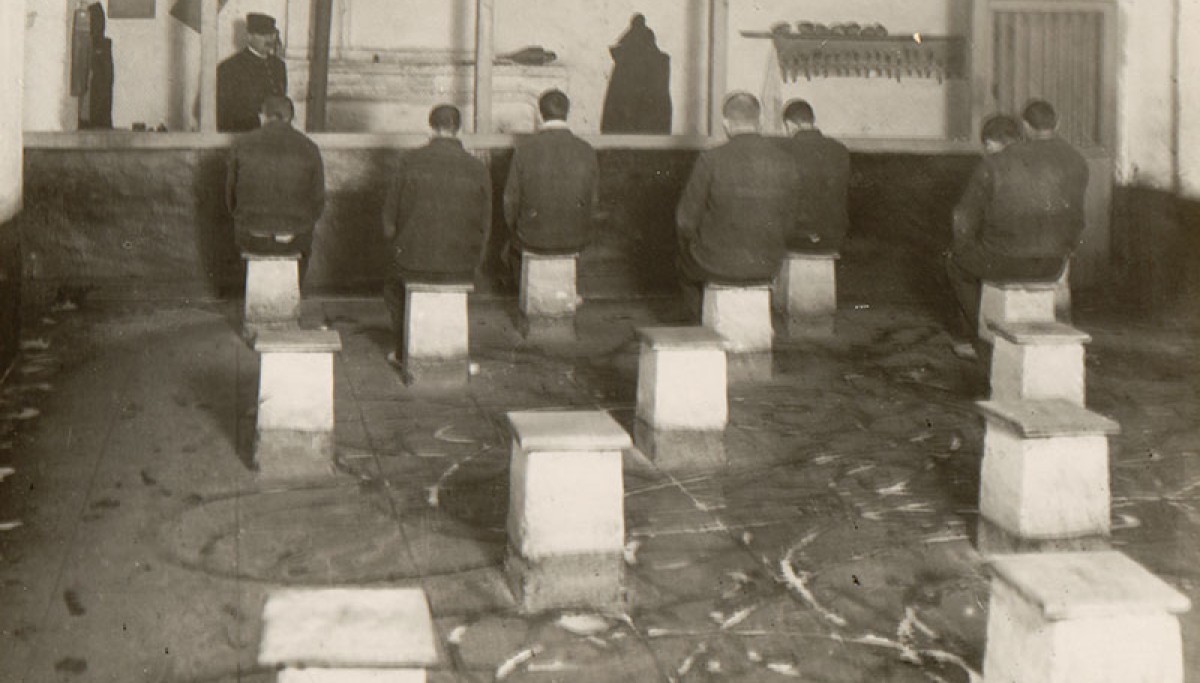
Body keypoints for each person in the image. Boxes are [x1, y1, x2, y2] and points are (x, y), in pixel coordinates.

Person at [946, 102, 1088, 355]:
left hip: (1004, 261)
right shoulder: (1077, 160)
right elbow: (1076, 217)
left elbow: (963, 216)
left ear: (1025, 126)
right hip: (1053, 265)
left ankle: (979, 336)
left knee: (957, 264)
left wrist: (966, 246)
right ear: (1058, 123)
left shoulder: (997, 162)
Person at [381, 104, 492, 368]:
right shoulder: (478, 168)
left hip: (413, 262)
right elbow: (485, 226)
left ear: (430, 127)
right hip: (461, 265)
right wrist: (474, 260)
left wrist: (398, 246)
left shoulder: (408, 162)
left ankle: (402, 349)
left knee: (392, 287)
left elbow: (388, 219)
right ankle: (452, 350)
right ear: (459, 128)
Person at [675, 92, 801, 319]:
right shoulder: (786, 161)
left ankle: (700, 329)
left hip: (716, 263)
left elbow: (685, 221)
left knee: (684, 265)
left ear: (725, 123)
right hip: (769, 263)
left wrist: (698, 242)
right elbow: (790, 222)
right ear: (759, 121)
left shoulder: (711, 159)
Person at [501, 89, 599, 287]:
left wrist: (518, 230)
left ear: (540, 113)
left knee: (507, 252)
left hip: (533, 238)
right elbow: (593, 201)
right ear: (567, 112)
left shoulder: (525, 150)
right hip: (576, 238)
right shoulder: (586, 150)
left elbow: (510, 201)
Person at [225, 96, 325, 282]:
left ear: (262, 117)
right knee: (305, 239)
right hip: (294, 238)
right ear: (291, 118)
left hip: (252, 237)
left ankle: (252, 290)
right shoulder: (310, 147)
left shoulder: (241, 144)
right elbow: (318, 201)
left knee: (240, 232)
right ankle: (294, 290)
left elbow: (231, 199)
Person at [779, 99, 850, 252]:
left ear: (790, 124)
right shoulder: (840, 150)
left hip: (796, 238)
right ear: (812, 121)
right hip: (834, 237)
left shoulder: (784, 151)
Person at [601, 14, 672, 134]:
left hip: (623, 121)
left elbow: (613, 98)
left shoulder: (624, 57)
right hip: (653, 122)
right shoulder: (659, 60)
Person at [217, 13, 287, 133]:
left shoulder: (278, 66)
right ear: (249, 36)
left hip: (275, 136)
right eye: (263, 35)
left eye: (272, 34)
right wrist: (258, 120)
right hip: (245, 136)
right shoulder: (229, 67)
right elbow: (222, 113)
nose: (269, 39)